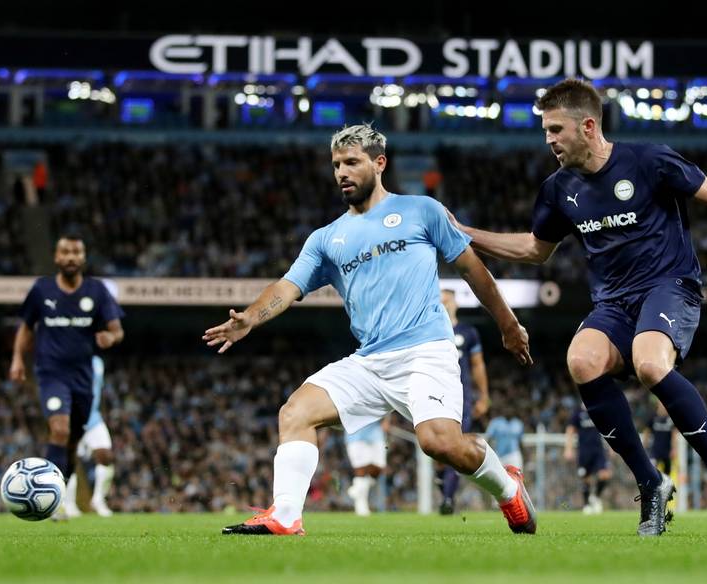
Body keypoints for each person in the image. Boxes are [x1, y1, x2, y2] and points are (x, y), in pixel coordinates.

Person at [448, 78, 707, 535]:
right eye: (545, 131)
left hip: (670, 286)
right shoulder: (557, 189)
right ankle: (651, 485)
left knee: (649, 362)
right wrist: (465, 232)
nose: (548, 140)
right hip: (614, 302)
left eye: (555, 130)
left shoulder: (648, 160)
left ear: (587, 126)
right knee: (581, 360)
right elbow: (534, 249)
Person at [204, 123, 536, 536]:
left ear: (379, 163)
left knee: (440, 443)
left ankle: (507, 488)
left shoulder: (422, 211)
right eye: (337, 164)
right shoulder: (326, 238)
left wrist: (508, 324)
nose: (342, 172)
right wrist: (252, 317)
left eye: (352, 162)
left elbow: (473, 270)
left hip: (425, 351)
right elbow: (287, 286)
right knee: (296, 412)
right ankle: (286, 514)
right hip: (370, 360)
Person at [9, 235, 124, 517]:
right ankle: (54, 502)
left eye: (76, 251)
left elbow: (117, 329)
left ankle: (59, 491)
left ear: (83, 257)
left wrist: (110, 337)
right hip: (51, 373)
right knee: (59, 429)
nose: (71, 256)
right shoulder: (41, 289)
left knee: (72, 442)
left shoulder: (96, 291)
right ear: (56, 257)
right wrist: (17, 359)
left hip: (82, 376)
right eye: (65, 251)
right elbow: (25, 327)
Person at [437, 288, 491, 515]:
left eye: (449, 299)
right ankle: (443, 485)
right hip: (433, 394)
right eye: (442, 300)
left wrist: (484, 395)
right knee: (438, 449)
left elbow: (478, 364)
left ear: (456, 304)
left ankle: (448, 498)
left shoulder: (467, 332)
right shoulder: (428, 329)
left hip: (461, 396)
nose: (446, 302)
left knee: (455, 445)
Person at [64, 355, 116, 518]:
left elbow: (97, 391)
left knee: (106, 456)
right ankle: (69, 504)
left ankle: (98, 499)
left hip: (93, 418)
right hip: (74, 418)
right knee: (70, 461)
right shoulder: (68, 361)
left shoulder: (98, 362)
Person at [565, 404, 611, 515]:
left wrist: (611, 447)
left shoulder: (597, 409)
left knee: (604, 475)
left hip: (598, 450)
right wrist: (568, 448)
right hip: (584, 451)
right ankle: (586, 504)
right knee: (586, 478)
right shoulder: (577, 413)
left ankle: (596, 497)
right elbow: (570, 430)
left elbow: (608, 427)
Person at [345, 418, 388, 517]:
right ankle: (361, 508)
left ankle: (356, 489)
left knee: (379, 467)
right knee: (360, 469)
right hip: (355, 435)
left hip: (376, 434)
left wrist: (386, 421)